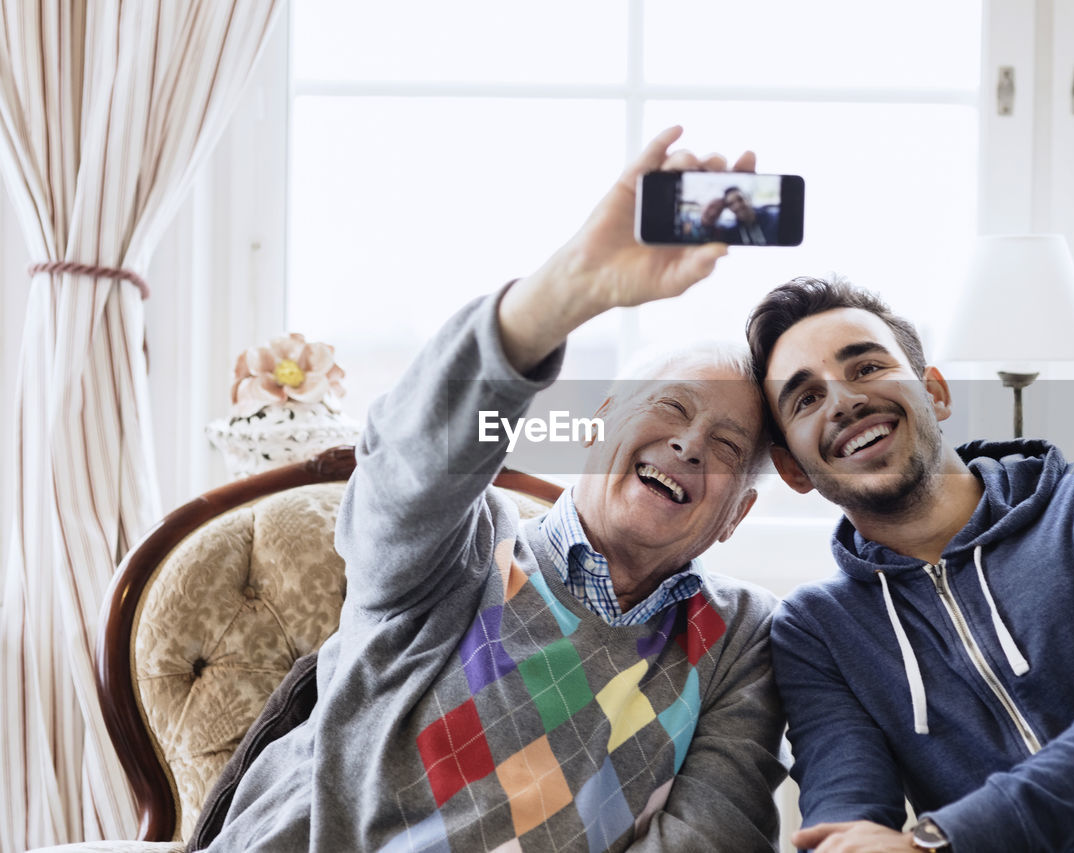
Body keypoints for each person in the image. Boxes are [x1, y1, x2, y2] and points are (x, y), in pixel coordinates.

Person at [207, 128, 787, 852]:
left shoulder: (738, 636)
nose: (690, 443)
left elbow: (712, 835)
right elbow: (406, 465)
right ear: (595, 423)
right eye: (668, 407)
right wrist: (566, 289)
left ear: (737, 515)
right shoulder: (467, 542)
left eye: (728, 447)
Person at [745, 275, 1074, 852]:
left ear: (936, 393)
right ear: (793, 469)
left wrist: (940, 840)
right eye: (806, 399)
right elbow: (844, 813)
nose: (845, 401)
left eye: (867, 367)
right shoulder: (817, 629)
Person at [710, 186, 779, 246]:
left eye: (740, 199)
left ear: (748, 199)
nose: (737, 206)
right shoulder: (732, 233)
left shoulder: (774, 220)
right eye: (731, 204)